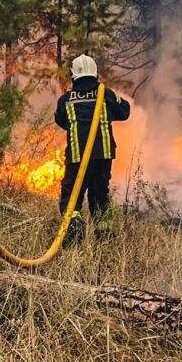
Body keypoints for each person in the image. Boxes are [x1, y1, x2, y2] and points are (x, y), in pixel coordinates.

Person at [54, 54, 130, 242]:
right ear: (95, 74)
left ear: (73, 76)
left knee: (71, 197)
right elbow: (125, 111)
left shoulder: (66, 100)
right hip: (102, 157)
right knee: (100, 197)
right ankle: (105, 239)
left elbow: (61, 121)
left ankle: (74, 231)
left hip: (77, 158)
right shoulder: (106, 95)